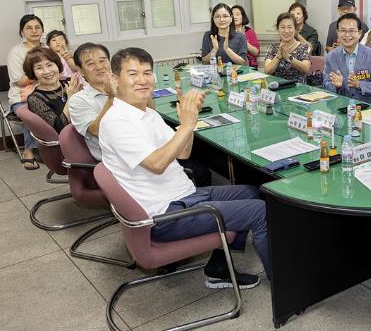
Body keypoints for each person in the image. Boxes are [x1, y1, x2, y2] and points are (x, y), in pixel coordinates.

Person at [99, 47, 267, 288]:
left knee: (251, 192)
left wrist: (191, 119)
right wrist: (187, 125)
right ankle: (286, 287)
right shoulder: (116, 122)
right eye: (133, 74)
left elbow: (183, 153)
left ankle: (219, 268)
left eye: (147, 73)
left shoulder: (146, 113)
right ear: (115, 80)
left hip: (184, 196)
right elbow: (157, 164)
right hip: (166, 215)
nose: (142, 80)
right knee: (260, 211)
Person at [69, 42, 211, 187]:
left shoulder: (128, 88)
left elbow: (150, 112)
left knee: (197, 155)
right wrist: (112, 97)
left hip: (152, 149)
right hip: (125, 166)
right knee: (199, 169)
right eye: (91, 64)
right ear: (80, 71)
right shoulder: (78, 100)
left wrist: (142, 90)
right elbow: (96, 131)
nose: (99, 66)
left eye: (102, 60)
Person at [323, 13, 371, 106]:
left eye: (352, 31)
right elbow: (326, 84)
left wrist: (359, 84)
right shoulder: (331, 56)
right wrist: (335, 86)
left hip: (369, 107)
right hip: (342, 106)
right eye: (343, 31)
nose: (347, 35)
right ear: (337, 32)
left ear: (359, 33)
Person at [7, 14, 45, 170]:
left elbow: (60, 70)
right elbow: (21, 81)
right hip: (21, 98)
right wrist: (44, 73)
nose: (34, 31)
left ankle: (56, 148)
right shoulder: (16, 52)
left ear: (42, 30)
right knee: (34, 108)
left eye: (37, 27)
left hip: (47, 92)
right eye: (29, 28)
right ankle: (28, 151)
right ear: (22, 31)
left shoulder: (48, 48)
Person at [24, 47, 82, 133]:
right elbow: (59, 128)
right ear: (33, 72)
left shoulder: (71, 83)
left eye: (49, 65)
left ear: (57, 65)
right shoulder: (35, 99)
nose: (47, 71)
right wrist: (70, 98)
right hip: (71, 137)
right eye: (39, 68)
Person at [264, 12, 311, 83]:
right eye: (282, 27)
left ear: (295, 29)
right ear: (278, 29)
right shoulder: (272, 48)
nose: (286, 31)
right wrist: (279, 55)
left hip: (298, 87)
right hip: (278, 86)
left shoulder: (304, 47)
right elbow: (267, 71)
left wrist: (289, 57)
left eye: (290, 27)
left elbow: (306, 69)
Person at [232, 5, 260, 69]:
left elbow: (256, 53)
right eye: (232, 15)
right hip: (233, 65)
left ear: (243, 16)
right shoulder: (228, 32)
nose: (235, 17)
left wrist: (243, 38)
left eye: (237, 14)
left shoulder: (249, 31)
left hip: (250, 66)